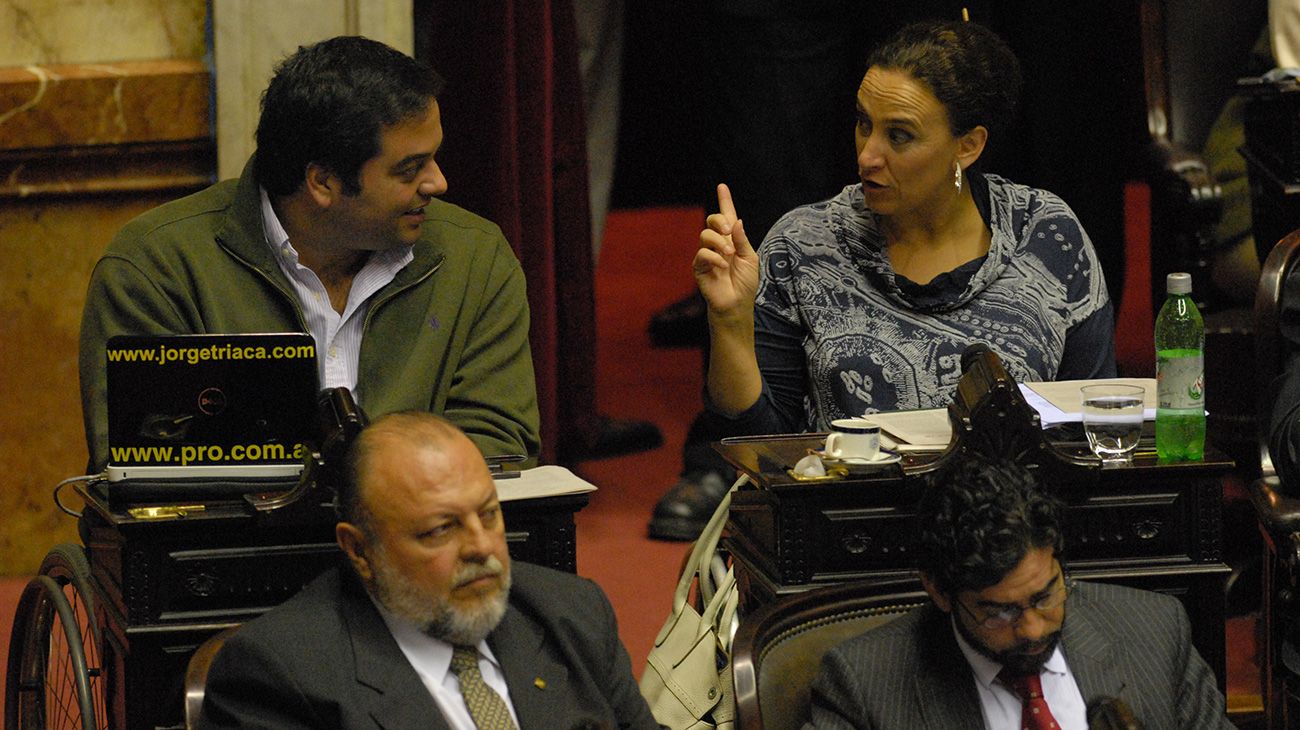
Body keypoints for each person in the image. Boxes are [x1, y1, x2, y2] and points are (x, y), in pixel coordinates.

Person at [652, 19, 1116, 540]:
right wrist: (730, 321)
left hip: (1015, 546)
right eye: (863, 124)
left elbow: (1092, 427)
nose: (868, 155)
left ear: (968, 146)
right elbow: (761, 447)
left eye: (900, 135)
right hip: (853, 538)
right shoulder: (805, 245)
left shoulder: (1047, 238)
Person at [78, 36, 540, 472]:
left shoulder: (475, 259)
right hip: (236, 551)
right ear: (323, 183)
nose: (438, 183)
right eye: (409, 169)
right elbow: (144, 462)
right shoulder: (158, 270)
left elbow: (497, 442)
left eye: (433, 158)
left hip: (418, 549)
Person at [198, 411, 659, 729]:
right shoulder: (281, 675)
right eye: (441, 529)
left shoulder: (571, 613)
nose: (481, 547)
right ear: (360, 550)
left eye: (490, 514)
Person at [805, 455, 1232, 729]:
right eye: (999, 612)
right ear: (938, 592)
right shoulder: (862, 684)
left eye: (1045, 597)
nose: (1030, 629)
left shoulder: (1154, 630)